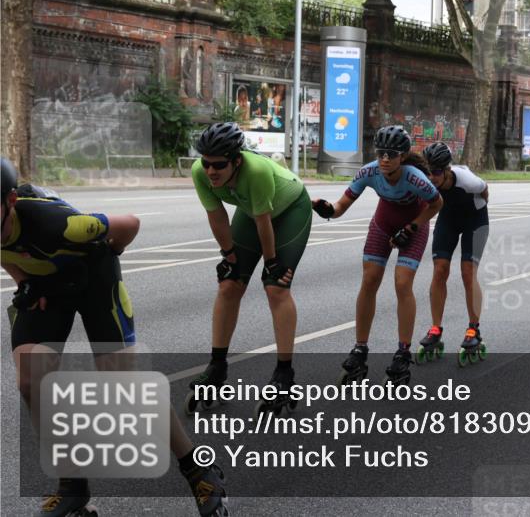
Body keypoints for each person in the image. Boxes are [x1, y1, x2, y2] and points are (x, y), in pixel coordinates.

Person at [1, 158, 228, 517]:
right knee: (31, 379)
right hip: (49, 285)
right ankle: (72, 486)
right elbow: (7, 253)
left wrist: (109, 259)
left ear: (10, 201)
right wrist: (26, 283)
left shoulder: (61, 225)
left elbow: (130, 226)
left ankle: (199, 472)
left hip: (94, 276)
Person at [187, 122, 312, 416]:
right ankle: (216, 367)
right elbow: (217, 216)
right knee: (229, 284)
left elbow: (263, 223)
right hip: (253, 212)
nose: (211, 171)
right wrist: (228, 256)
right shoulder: (199, 172)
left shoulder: (255, 171)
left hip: (290, 210)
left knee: (276, 287)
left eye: (219, 165)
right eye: (206, 163)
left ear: (237, 161)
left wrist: (272, 263)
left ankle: (284, 374)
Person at [312, 126, 444, 385]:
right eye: (381, 152)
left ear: (403, 156)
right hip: (383, 224)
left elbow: (437, 203)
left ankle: (403, 352)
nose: (384, 158)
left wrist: (413, 227)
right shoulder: (369, 171)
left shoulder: (415, 177)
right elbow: (340, 207)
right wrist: (327, 209)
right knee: (370, 280)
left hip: (413, 227)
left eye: (391, 154)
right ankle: (360, 348)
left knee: (402, 283)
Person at [418, 142, 490, 366]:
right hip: (448, 219)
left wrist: (474, 209)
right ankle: (435, 328)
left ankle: (473, 329)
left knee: (468, 273)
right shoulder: (425, 182)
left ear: (447, 169)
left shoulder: (466, 180)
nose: (432, 177)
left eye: (437, 172)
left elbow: (485, 192)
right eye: (428, 172)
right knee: (440, 270)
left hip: (474, 220)